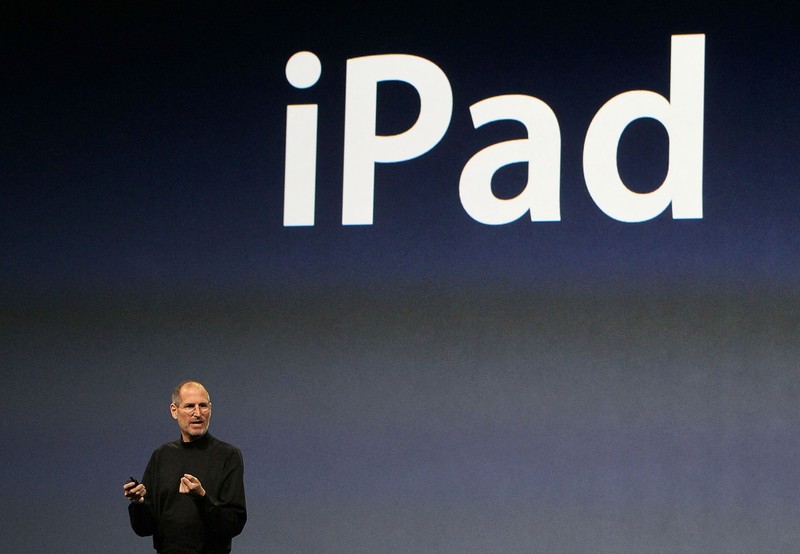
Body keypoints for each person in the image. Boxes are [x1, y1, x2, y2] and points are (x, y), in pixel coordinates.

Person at [123, 380, 247, 553]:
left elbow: (233, 524)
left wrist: (202, 497)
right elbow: (144, 528)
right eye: (189, 406)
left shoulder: (228, 455)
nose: (198, 413)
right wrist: (139, 503)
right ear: (174, 411)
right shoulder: (162, 455)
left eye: (203, 406)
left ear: (210, 409)